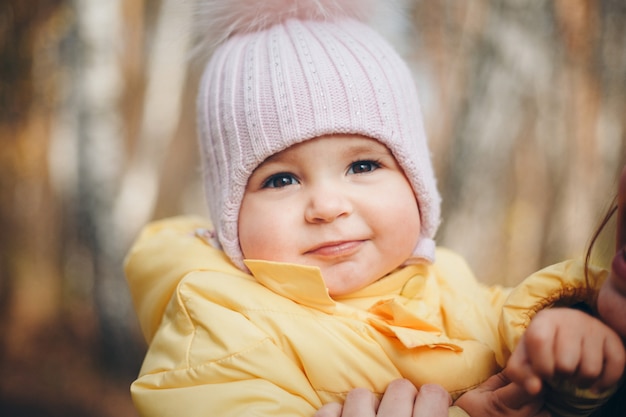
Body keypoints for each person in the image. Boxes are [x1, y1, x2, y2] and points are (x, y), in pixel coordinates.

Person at [123, 1, 625, 416]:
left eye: (363, 166)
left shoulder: (446, 283)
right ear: (229, 216)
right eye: (280, 179)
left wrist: (561, 333)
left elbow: (508, 323)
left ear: (416, 183)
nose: (326, 205)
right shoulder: (218, 332)